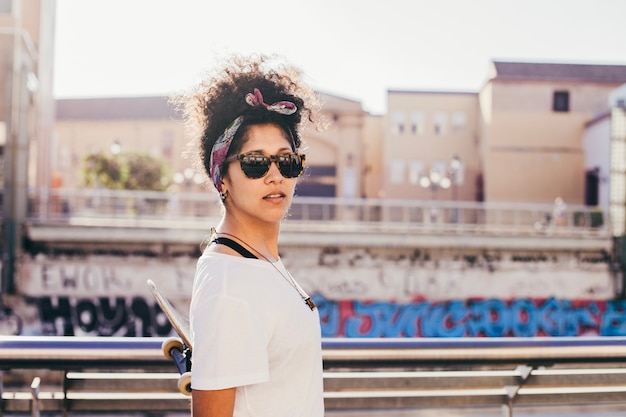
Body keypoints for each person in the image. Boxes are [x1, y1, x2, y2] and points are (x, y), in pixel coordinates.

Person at [176, 55, 324, 417]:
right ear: (221, 178)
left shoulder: (259, 262)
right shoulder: (230, 284)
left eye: (287, 161)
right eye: (256, 163)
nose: (275, 176)